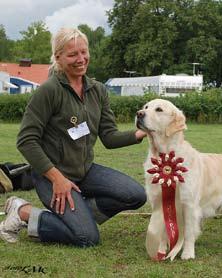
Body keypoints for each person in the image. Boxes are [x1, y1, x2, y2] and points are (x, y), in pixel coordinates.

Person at [0, 28, 147, 247]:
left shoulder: (98, 90)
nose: (81, 59)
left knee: (135, 195)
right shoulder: (49, 91)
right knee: (87, 238)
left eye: (84, 52)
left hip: (85, 171)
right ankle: (23, 212)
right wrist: (57, 178)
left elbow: (108, 136)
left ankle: (78, 218)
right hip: (53, 177)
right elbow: (26, 140)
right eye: (72, 55)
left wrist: (140, 133)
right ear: (58, 57)